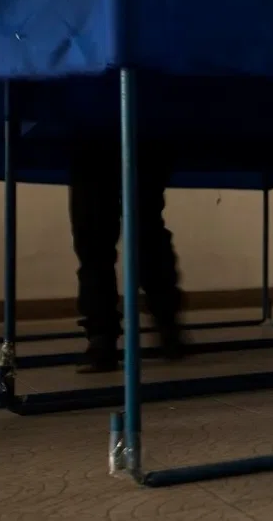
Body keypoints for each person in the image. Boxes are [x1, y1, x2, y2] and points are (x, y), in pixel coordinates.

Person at [68, 136, 186, 373]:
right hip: (147, 131)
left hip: (92, 132)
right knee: (145, 228)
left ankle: (102, 338)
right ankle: (166, 323)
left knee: (96, 235)